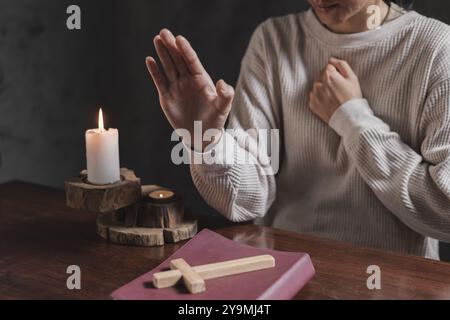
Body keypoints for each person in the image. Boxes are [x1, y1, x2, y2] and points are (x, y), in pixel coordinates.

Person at [145, 0, 450, 260]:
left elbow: (445, 212)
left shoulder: (436, 48)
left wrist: (353, 119)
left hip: (394, 277)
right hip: (283, 267)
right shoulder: (273, 40)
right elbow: (249, 201)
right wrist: (207, 142)